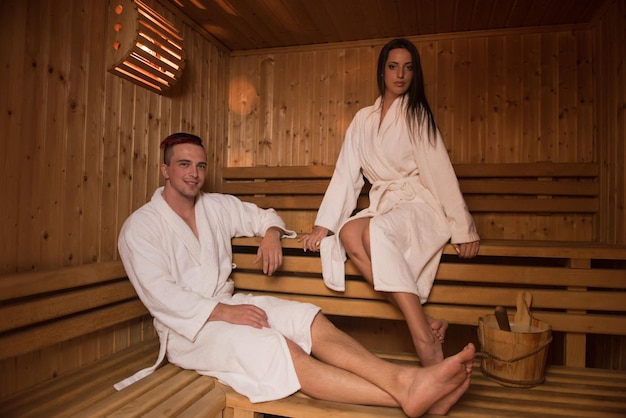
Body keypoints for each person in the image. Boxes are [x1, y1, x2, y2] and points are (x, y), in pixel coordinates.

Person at [115, 132, 476, 417]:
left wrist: (272, 234)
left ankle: (408, 385)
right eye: (183, 165)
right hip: (188, 330)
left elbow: (265, 215)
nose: (194, 174)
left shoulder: (216, 206)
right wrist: (224, 313)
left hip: (229, 303)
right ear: (165, 170)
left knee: (308, 318)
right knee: (279, 347)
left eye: (200, 165)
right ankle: (410, 392)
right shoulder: (141, 227)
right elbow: (159, 294)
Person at [299, 38, 480, 367]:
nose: (401, 74)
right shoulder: (363, 119)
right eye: (393, 66)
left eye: (408, 67)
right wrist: (323, 226)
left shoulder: (416, 114)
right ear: (382, 71)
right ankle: (422, 321)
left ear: (415, 73)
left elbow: (439, 171)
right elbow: (346, 175)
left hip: (418, 204)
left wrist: (463, 229)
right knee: (349, 234)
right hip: (386, 204)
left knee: (376, 231)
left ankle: (423, 340)